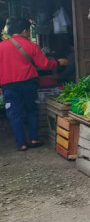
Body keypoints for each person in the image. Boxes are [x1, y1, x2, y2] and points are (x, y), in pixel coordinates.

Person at [0, 18, 68, 151]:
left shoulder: (1, 47)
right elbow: (44, 65)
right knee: (31, 110)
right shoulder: (31, 46)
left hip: (9, 86)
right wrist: (59, 63)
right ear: (24, 31)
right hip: (29, 84)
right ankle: (34, 138)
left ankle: (21, 143)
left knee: (14, 113)